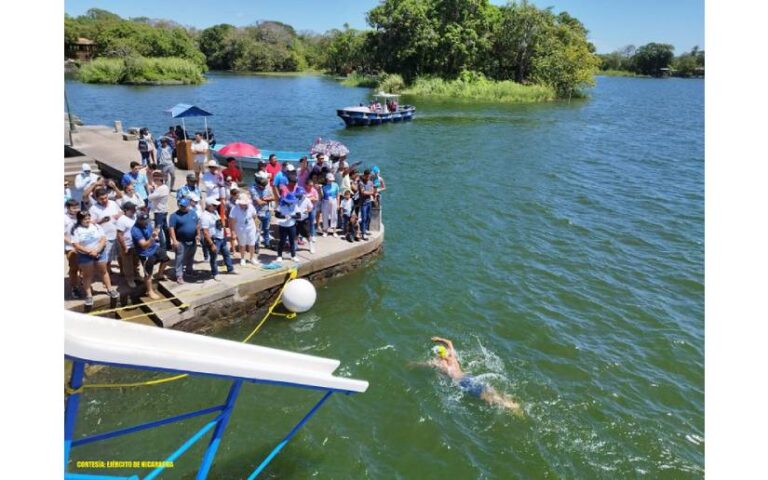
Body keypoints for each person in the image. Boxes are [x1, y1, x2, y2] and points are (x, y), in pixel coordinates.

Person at [420, 337, 522, 415]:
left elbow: (425, 364)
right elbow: (449, 342)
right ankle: (509, 400)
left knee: (487, 397)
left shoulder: (440, 363)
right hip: (469, 377)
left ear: (438, 355)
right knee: (489, 389)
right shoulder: (452, 356)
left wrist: (413, 364)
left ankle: (511, 407)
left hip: (463, 383)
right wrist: (438, 339)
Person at [70, 211, 118, 310]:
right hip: (85, 255)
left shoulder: (96, 226)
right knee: (87, 275)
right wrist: (89, 251)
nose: (88, 220)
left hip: (99, 253)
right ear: (80, 220)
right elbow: (76, 244)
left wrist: (97, 249)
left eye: (88, 218)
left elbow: (103, 238)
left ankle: (109, 289)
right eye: (85, 219)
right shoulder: (75, 229)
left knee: (104, 271)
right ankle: (89, 295)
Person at [131, 212, 170, 299]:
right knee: (148, 274)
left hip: (155, 248)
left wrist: (156, 231)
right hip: (146, 254)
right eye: (143, 220)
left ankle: (160, 274)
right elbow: (144, 245)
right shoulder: (135, 230)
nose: (146, 222)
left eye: (146, 220)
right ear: (138, 220)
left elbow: (152, 231)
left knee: (166, 259)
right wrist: (153, 237)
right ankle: (149, 291)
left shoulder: (147, 223)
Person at [89, 187, 123, 274]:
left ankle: (123, 272)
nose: (104, 200)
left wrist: (118, 215)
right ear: (96, 198)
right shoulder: (93, 209)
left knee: (120, 256)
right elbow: (90, 224)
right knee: (106, 258)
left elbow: (121, 212)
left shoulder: (113, 203)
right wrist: (101, 221)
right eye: (101, 199)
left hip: (118, 234)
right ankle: (107, 276)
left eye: (106, 198)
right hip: (105, 237)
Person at [168, 198, 200, 284]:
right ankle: (179, 275)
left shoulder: (193, 213)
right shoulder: (174, 216)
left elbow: (197, 225)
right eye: (181, 206)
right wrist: (174, 240)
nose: (183, 207)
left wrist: (198, 234)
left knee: (190, 257)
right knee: (180, 259)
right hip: (181, 241)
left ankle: (189, 270)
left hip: (192, 240)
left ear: (188, 205)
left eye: (185, 206)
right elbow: (171, 229)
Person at [201, 197, 234, 280]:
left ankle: (230, 269)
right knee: (214, 257)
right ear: (209, 206)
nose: (216, 207)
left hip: (221, 238)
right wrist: (211, 244)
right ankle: (215, 273)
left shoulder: (215, 212)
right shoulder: (205, 216)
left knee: (226, 254)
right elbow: (205, 232)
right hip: (214, 239)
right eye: (214, 205)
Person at [228, 196, 259, 266]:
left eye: (245, 204)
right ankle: (242, 258)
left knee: (252, 243)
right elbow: (231, 221)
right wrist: (232, 231)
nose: (244, 205)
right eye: (242, 204)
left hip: (251, 227)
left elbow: (255, 216)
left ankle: (252, 258)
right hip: (240, 227)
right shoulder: (234, 208)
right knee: (242, 244)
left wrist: (256, 226)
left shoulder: (251, 206)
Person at [115, 201, 139, 288]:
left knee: (136, 262)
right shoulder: (122, 220)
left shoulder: (135, 217)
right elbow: (119, 234)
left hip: (136, 244)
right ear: (125, 210)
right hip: (127, 245)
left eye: (134, 209)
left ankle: (136, 275)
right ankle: (130, 279)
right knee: (127, 263)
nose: (134, 210)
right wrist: (124, 246)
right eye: (131, 209)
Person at [273, 192, 301, 263]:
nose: (290, 203)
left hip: (292, 226)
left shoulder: (295, 206)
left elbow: (299, 216)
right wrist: (284, 216)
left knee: (292, 241)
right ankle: (279, 256)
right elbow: (276, 215)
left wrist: (291, 216)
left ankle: (293, 256)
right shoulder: (281, 205)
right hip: (283, 226)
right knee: (282, 241)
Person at [250, 172, 273, 250]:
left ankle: (267, 243)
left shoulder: (267, 187)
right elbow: (258, 202)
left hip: (267, 211)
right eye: (262, 186)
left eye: (264, 186)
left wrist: (264, 199)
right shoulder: (253, 189)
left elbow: (273, 197)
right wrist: (266, 200)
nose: (263, 188)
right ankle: (256, 245)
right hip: (257, 213)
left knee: (267, 229)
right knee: (257, 231)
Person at [64, 199, 82, 299]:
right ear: (68, 208)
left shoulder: (80, 216)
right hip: (71, 247)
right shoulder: (64, 218)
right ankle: (74, 288)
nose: (76, 210)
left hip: (83, 247)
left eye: (77, 207)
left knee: (83, 267)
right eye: (73, 208)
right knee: (74, 269)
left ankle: (84, 283)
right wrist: (73, 244)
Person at [147, 171, 170, 249]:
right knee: (165, 229)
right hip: (164, 210)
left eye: (155, 180)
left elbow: (150, 198)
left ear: (158, 180)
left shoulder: (160, 189)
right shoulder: (165, 187)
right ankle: (168, 245)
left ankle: (163, 247)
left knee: (158, 230)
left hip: (159, 211)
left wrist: (149, 190)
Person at [294, 187, 315, 254]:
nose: (299, 195)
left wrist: (307, 210)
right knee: (295, 234)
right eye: (298, 194)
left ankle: (311, 246)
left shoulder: (307, 199)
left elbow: (311, 208)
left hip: (304, 219)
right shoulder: (294, 199)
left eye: (300, 194)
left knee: (307, 234)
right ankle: (295, 246)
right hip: (296, 219)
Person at [358, 169, 377, 240]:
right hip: (363, 203)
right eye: (368, 176)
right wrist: (371, 193)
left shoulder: (370, 182)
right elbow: (363, 192)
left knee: (368, 217)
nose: (368, 177)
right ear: (365, 175)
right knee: (364, 217)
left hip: (369, 202)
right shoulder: (361, 183)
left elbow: (372, 190)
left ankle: (365, 229)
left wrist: (371, 193)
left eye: (369, 176)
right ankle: (363, 233)